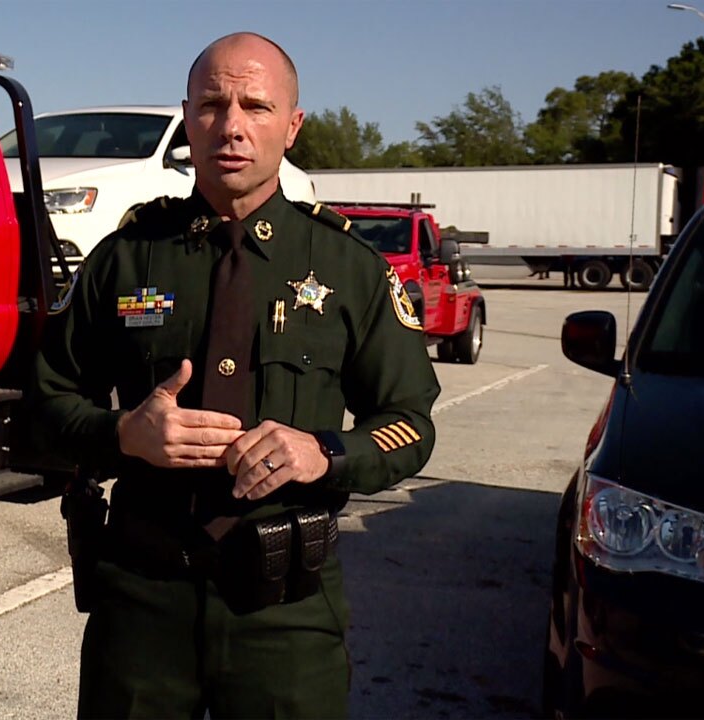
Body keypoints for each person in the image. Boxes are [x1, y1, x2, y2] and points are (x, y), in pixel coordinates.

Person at [32, 31, 440, 719]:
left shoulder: (349, 269)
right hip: (142, 602)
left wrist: (324, 452)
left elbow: (409, 424)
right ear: (188, 117)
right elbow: (44, 406)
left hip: (286, 609)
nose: (232, 126)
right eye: (213, 104)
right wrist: (124, 434)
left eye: (255, 105)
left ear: (293, 124)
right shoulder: (125, 258)